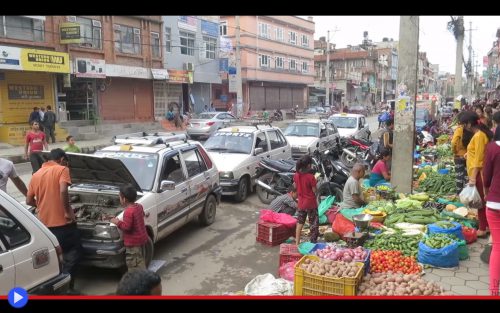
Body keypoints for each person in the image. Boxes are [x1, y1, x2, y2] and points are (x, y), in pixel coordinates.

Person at [26, 148, 82, 292]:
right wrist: (68, 212)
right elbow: (63, 190)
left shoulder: (36, 174)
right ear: (62, 160)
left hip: (45, 228)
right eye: (66, 163)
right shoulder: (62, 169)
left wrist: (43, 205)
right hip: (63, 225)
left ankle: (59, 285)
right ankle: (68, 287)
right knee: (74, 253)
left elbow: (28, 200)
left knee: (57, 257)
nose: (67, 165)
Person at [461, 111, 494, 238]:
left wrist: (473, 178)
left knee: (479, 202)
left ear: (469, 123)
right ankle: (486, 226)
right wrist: (468, 154)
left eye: (464, 124)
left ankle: (482, 228)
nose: (464, 126)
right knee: (482, 201)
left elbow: (479, 159)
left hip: (479, 174)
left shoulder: (479, 135)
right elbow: (477, 152)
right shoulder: (478, 134)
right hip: (479, 172)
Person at [110, 184, 149, 272]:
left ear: (124, 199)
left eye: (119, 197)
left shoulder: (128, 211)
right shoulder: (139, 206)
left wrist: (116, 221)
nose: (119, 199)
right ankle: (143, 277)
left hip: (133, 245)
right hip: (142, 240)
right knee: (140, 261)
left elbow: (126, 227)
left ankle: (139, 282)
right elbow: (141, 216)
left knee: (134, 267)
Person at [481, 124, 500, 296]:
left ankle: (494, 291)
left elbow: (486, 176)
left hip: (494, 204)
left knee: (498, 247)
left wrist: (486, 190)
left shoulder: (493, 148)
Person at [294, 155, 319, 245]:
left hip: (301, 203)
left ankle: (297, 243)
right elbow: (315, 191)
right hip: (310, 203)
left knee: (300, 222)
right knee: (313, 224)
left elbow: (296, 187)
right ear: (309, 165)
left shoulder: (296, 175)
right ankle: (313, 243)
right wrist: (316, 182)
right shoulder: (311, 177)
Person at [451, 113, 473, 192]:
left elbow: (453, 142)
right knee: (467, 176)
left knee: (459, 176)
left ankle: (459, 193)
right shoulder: (472, 129)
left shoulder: (459, 129)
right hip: (468, 156)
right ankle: (466, 192)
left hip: (459, 156)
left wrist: (454, 151)